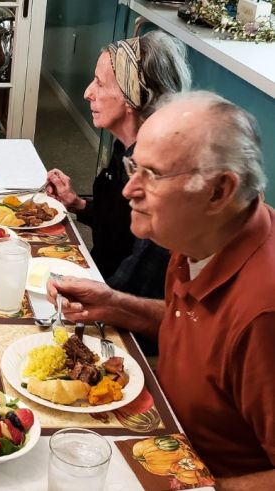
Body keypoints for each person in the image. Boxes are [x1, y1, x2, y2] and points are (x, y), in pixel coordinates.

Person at [48, 91, 274, 486]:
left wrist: (210, 488)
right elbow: (195, 327)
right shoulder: (199, 238)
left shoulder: (264, 315)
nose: (129, 189)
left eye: (152, 175)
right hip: (161, 426)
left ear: (218, 191)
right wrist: (116, 304)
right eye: (133, 167)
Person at [46, 31, 191, 300]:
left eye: (100, 84)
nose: (88, 92)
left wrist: (82, 298)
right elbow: (118, 222)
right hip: (99, 278)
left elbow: (133, 287)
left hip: (122, 309)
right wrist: (77, 203)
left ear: (133, 96)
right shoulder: (124, 146)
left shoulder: (156, 178)